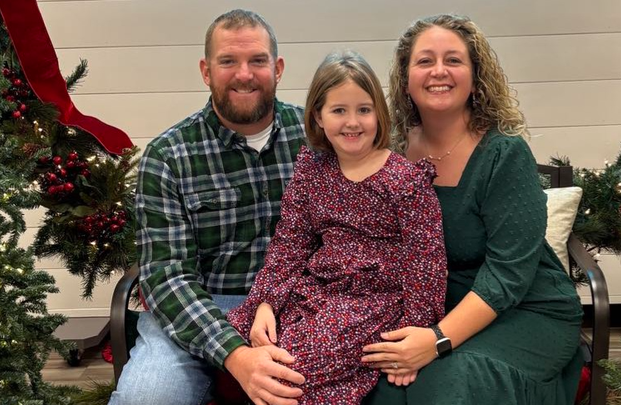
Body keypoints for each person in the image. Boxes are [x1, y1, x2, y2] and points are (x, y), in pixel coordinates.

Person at [360, 14, 584, 405]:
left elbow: (508, 274)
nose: (439, 71)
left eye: (454, 60)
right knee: (375, 381)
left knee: (446, 382)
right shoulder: (387, 151)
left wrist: (437, 339)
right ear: (406, 78)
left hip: (523, 309)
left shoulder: (504, 154)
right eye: (425, 60)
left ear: (476, 76)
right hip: (428, 308)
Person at [109, 9, 309, 405]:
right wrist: (236, 355)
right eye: (228, 61)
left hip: (298, 302)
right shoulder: (168, 156)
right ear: (206, 71)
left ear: (278, 68)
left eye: (257, 60)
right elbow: (166, 276)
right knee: (146, 398)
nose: (244, 75)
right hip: (199, 303)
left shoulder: (317, 138)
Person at [226, 50, 447, 404]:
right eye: (339, 110)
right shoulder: (312, 171)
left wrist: (415, 333)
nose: (352, 122)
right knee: (239, 337)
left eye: (364, 110)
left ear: (379, 113)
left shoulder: (405, 180)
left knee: (292, 364)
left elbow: (426, 262)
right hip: (317, 289)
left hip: (373, 301)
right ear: (318, 115)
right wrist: (266, 303)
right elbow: (290, 244)